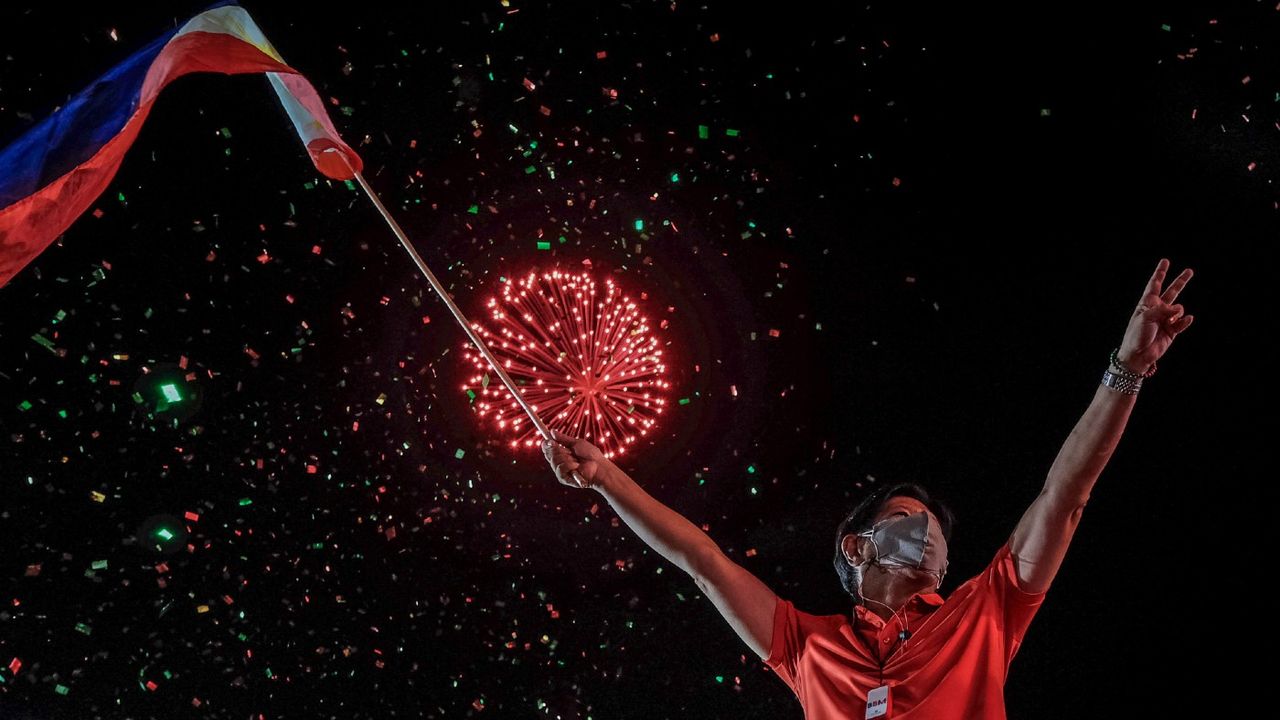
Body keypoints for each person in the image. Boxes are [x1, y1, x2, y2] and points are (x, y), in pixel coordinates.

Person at [542, 259, 1194, 719]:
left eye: (937, 532)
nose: (931, 536)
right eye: (912, 520)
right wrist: (605, 478)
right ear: (857, 549)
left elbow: (1065, 493)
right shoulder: (805, 646)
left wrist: (1127, 371)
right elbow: (702, 560)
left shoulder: (987, 610)